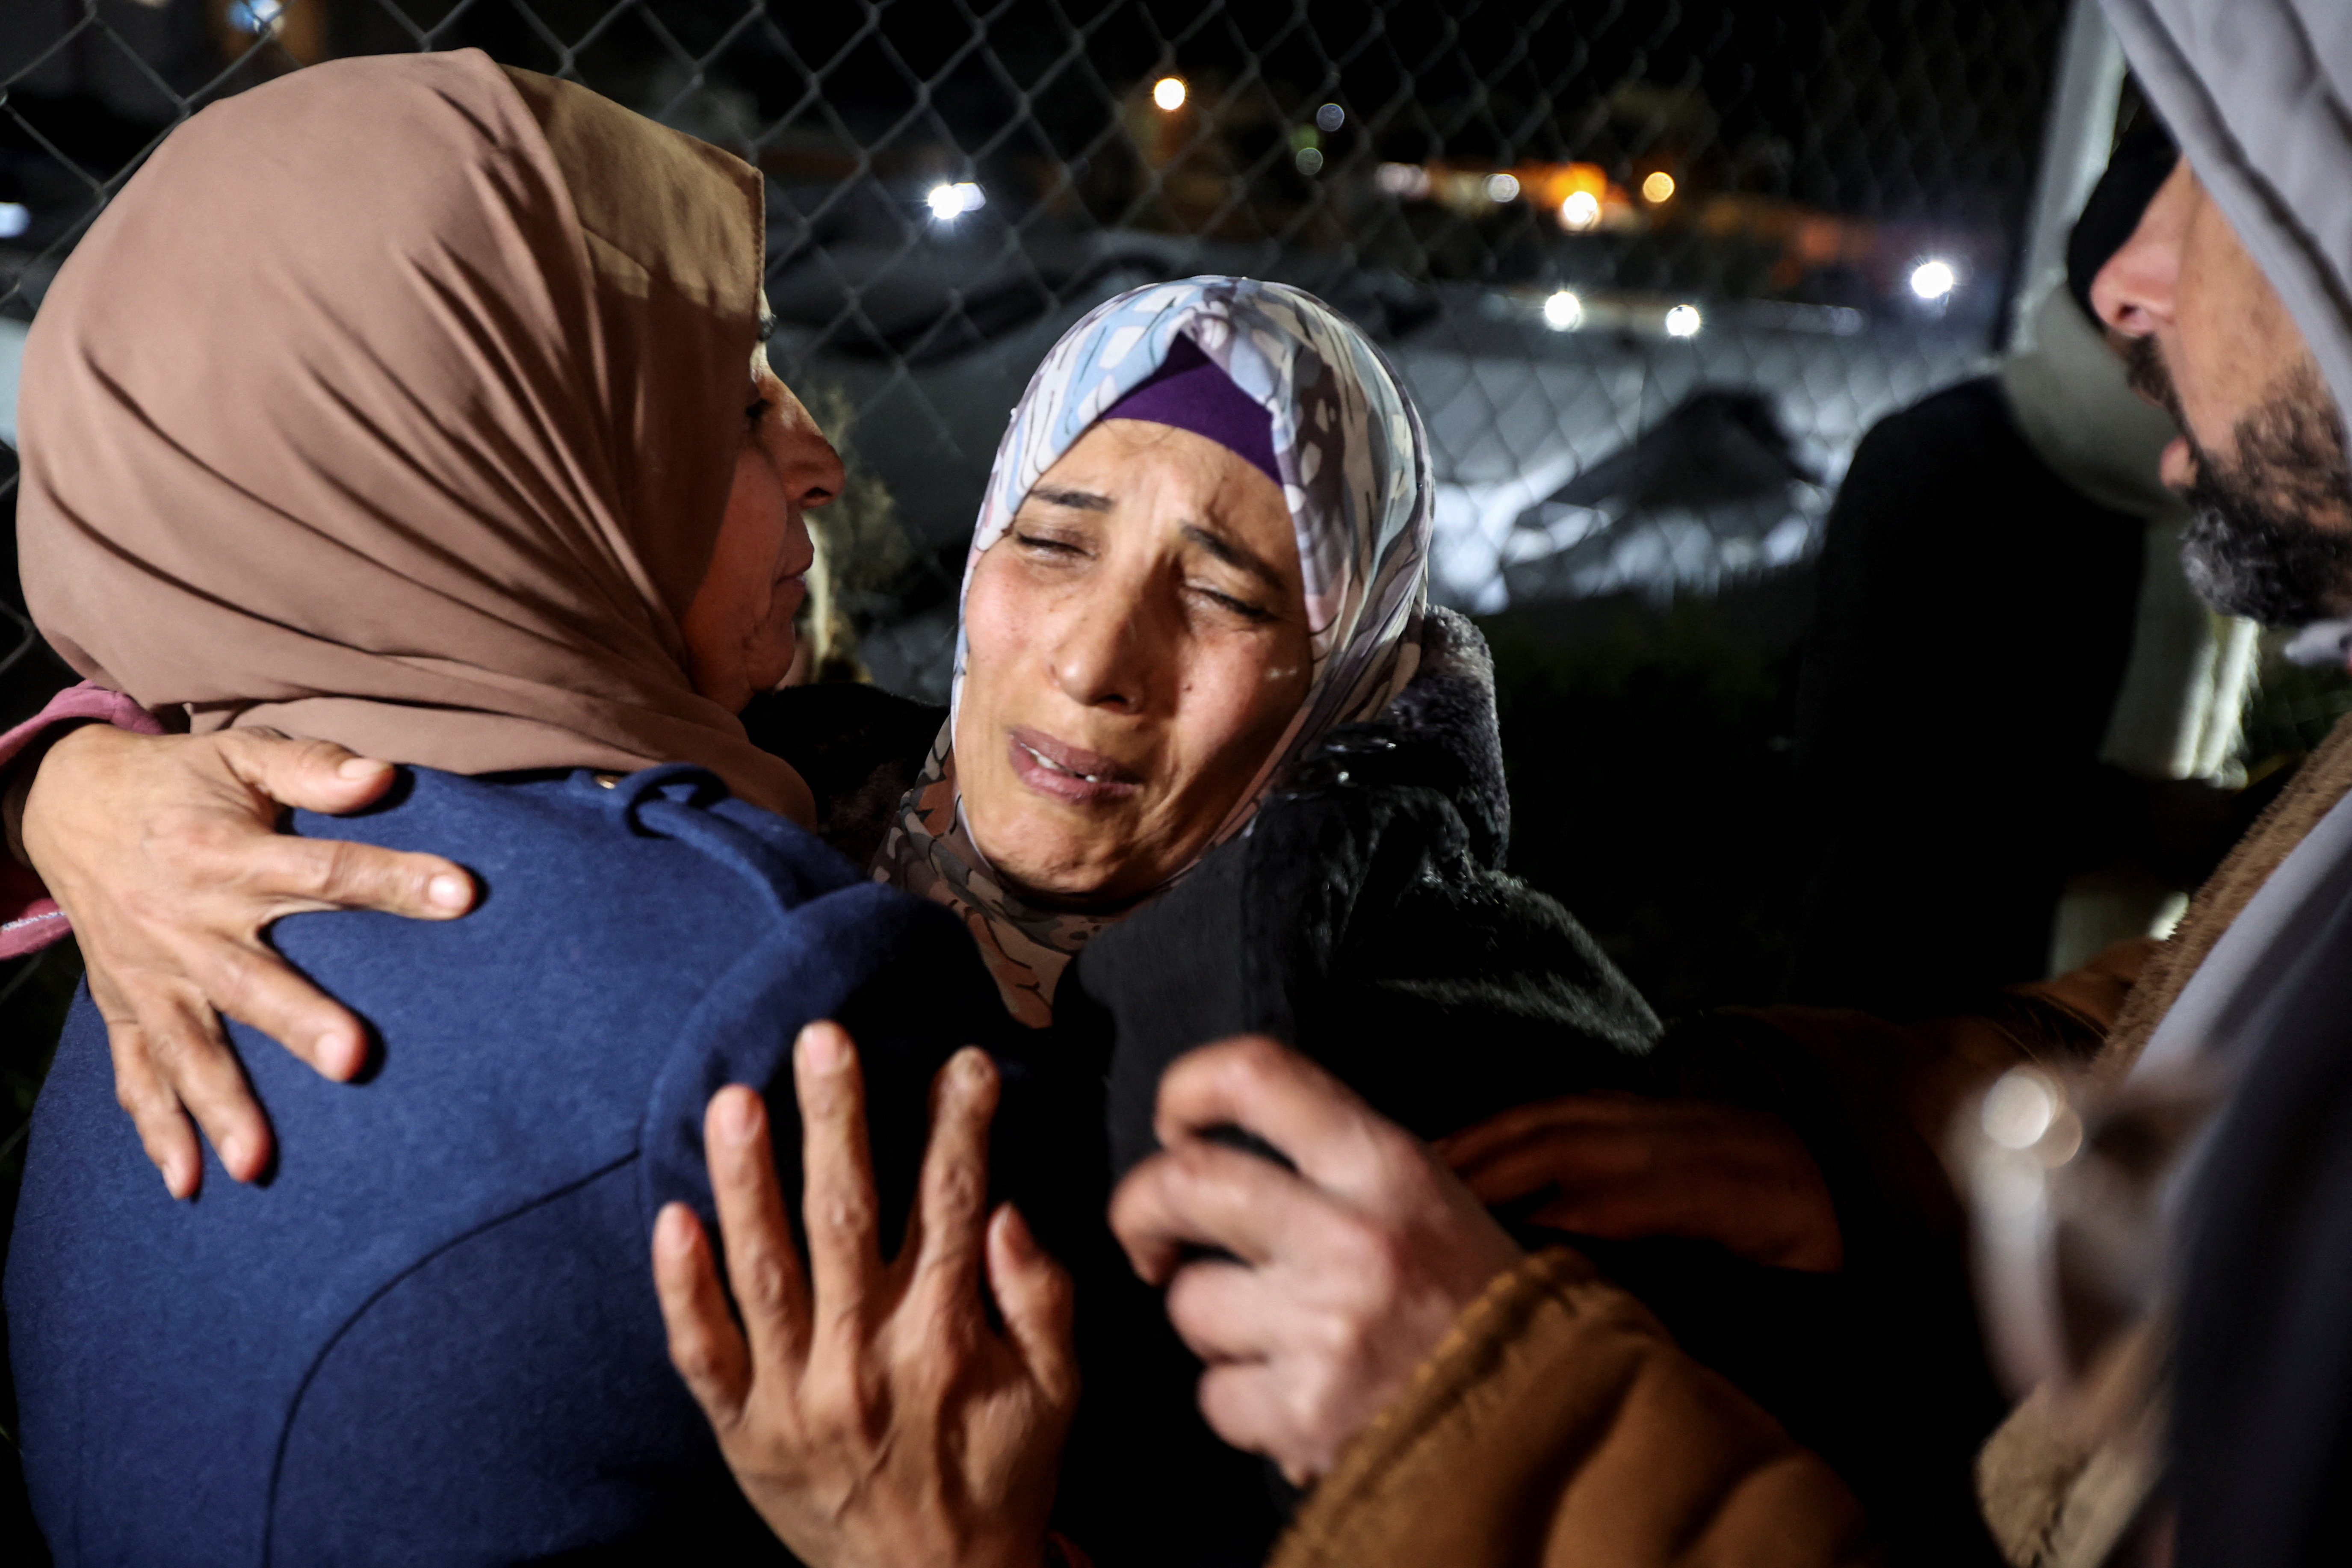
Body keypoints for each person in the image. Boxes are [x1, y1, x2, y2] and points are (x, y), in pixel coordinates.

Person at [0, 51, 1071, 1563]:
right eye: (731, 406)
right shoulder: (763, 984)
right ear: (496, 451)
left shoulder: (161, 893)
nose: (822, 468)